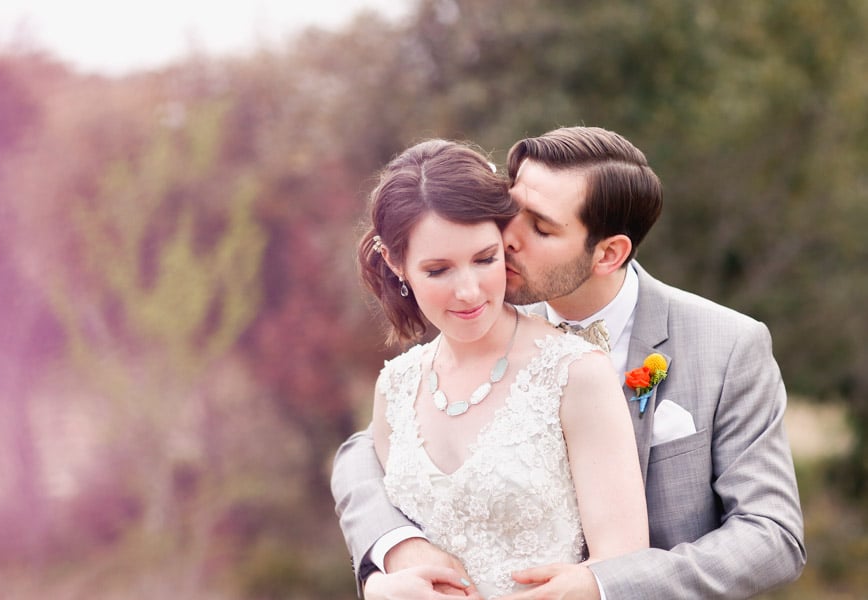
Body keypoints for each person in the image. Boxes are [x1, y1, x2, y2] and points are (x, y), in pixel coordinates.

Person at [332, 127, 807, 599]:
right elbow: (365, 452)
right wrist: (396, 549)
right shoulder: (480, 316)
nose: (508, 237)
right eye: (511, 211)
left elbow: (772, 537)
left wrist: (603, 585)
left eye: (540, 227)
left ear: (608, 253)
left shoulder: (727, 345)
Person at [347, 138, 648, 599]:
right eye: (438, 270)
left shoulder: (575, 373)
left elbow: (624, 565)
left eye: (485, 259)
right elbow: (383, 514)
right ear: (396, 263)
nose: (468, 291)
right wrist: (382, 586)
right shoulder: (395, 386)